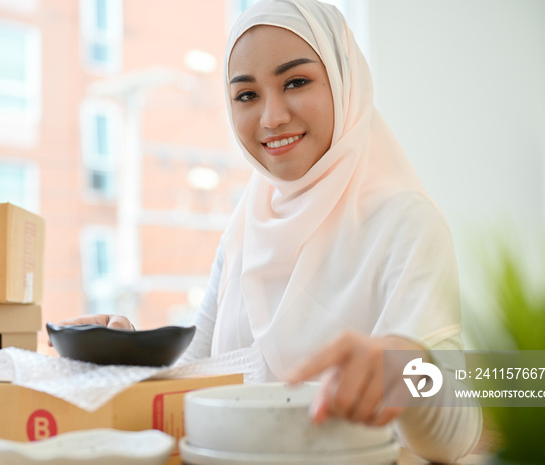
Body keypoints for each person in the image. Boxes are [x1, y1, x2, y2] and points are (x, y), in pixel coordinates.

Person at [57, 0, 482, 461]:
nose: (271, 117)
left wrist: (397, 368)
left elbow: (457, 435)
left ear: (345, 83)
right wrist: (128, 354)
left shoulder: (406, 223)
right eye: (247, 95)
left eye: (296, 82)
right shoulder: (245, 227)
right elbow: (197, 378)